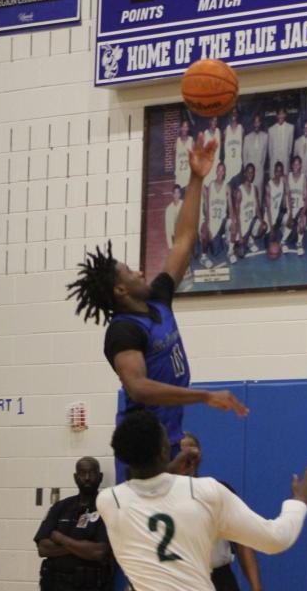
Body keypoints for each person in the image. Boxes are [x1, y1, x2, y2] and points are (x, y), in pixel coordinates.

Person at [66, 132, 247, 469]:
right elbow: (139, 389)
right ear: (120, 291)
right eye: (128, 271)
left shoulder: (159, 301)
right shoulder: (123, 331)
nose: (137, 271)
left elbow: (184, 239)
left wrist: (196, 179)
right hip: (141, 445)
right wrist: (205, 396)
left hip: (169, 437)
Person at [97, 410, 307, 591]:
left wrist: (168, 469)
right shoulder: (205, 491)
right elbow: (276, 539)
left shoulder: (109, 501)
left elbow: (143, 486)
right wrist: (299, 500)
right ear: (162, 451)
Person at [179, 433, 263, 591]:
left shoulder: (218, 490)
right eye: (181, 448)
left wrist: (257, 587)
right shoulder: (162, 496)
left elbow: (244, 542)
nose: (187, 453)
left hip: (220, 578)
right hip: (180, 579)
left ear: (200, 454)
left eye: (191, 446)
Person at [34, 458, 113, 591]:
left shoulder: (107, 509)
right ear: (76, 477)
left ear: (100, 477)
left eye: (92, 473)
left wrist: (60, 539)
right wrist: (82, 547)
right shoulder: (60, 507)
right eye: (82, 473)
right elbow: (43, 549)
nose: (87, 478)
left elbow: (99, 552)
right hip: (55, 585)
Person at [202, 163, 236, 266]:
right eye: (219, 170)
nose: (220, 172)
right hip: (212, 221)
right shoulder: (211, 185)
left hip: (222, 221)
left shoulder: (227, 186)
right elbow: (207, 206)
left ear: (225, 172)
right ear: (216, 171)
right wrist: (207, 224)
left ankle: (230, 251)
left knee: (233, 224)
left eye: (223, 170)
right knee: (214, 251)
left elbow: (230, 206)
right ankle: (203, 256)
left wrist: (233, 221)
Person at [235, 163, 267, 257]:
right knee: (241, 253)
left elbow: (257, 208)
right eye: (248, 172)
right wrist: (240, 235)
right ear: (245, 173)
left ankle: (250, 239)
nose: (250, 174)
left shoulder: (254, 189)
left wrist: (261, 221)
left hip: (251, 223)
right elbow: (237, 215)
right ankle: (243, 239)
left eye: (252, 172)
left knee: (264, 226)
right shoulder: (239, 191)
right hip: (242, 225)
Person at [285, 155, 307, 256]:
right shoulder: (288, 177)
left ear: (301, 166)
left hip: (300, 209)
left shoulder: (303, 178)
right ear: (291, 165)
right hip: (290, 209)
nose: (296, 166)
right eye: (294, 164)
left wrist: (303, 214)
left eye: (298, 164)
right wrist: (290, 213)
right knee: (287, 220)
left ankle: (299, 243)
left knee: (303, 222)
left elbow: (306, 199)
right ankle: (283, 240)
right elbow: (288, 196)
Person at [266, 161, 289, 250]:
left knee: (289, 220)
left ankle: (282, 235)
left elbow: (287, 194)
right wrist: (271, 228)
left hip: (278, 216)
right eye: (277, 171)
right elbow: (268, 210)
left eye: (280, 172)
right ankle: (273, 230)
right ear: (274, 171)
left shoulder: (283, 181)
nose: (278, 174)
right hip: (270, 217)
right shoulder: (269, 185)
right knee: (269, 244)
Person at [243, 114, 268, 192]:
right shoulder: (247, 138)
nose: (257, 124)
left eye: (258, 122)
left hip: (259, 172)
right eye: (255, 122)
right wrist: (247, 172)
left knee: (259, 193)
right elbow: (244, 156)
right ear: (253, 124)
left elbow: (264, 155)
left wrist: (260, 167)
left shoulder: (265, 137)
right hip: (249, 173)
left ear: (260, 123)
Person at [267, 108, 294, 178]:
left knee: (285, 181)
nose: (281, 116)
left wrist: (286, 157)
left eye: (283, 114)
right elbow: (270, 149)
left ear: (285, 115)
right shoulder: (271, 129)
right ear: (277, 115)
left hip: (285, 160)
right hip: (274, 160)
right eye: (279, 114)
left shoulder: (291, 128)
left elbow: (290, 147)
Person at [223, 110, 244, 188]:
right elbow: (223, 150)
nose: (234, 114)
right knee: (228, 192)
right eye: (232, 112)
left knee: (238, 192)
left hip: (238, 165)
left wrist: (243, 163)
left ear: (238, 115)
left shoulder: (241, 129)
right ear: (229, 114)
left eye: (236, 112)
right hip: (228, 166)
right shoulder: (226, 131)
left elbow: (242, 147)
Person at [201, 116, 223, 188]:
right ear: (209, 121)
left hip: (216, 165)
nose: (215, 122)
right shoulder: (205, 134)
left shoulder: (218, 132)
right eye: (213, 120)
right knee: (207, 187)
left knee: (215, 188)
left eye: (216, 121)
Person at [174, 120, 194, 191]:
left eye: (186, 127)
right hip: (179, 176)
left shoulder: (191, 141)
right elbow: (173, 158)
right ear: (181, 128)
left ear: (188, 129)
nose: (185, 129)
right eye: (183, 126)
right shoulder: (177, 142)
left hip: (188, 175)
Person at [165, 185, 183, 250]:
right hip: (174, 238)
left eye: (178, 193)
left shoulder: (184, 206)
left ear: (180, 194)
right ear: (172, 194)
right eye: (175, 193)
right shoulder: (168, 209)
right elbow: (168, 229)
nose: (176, 195)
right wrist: (170, 246)